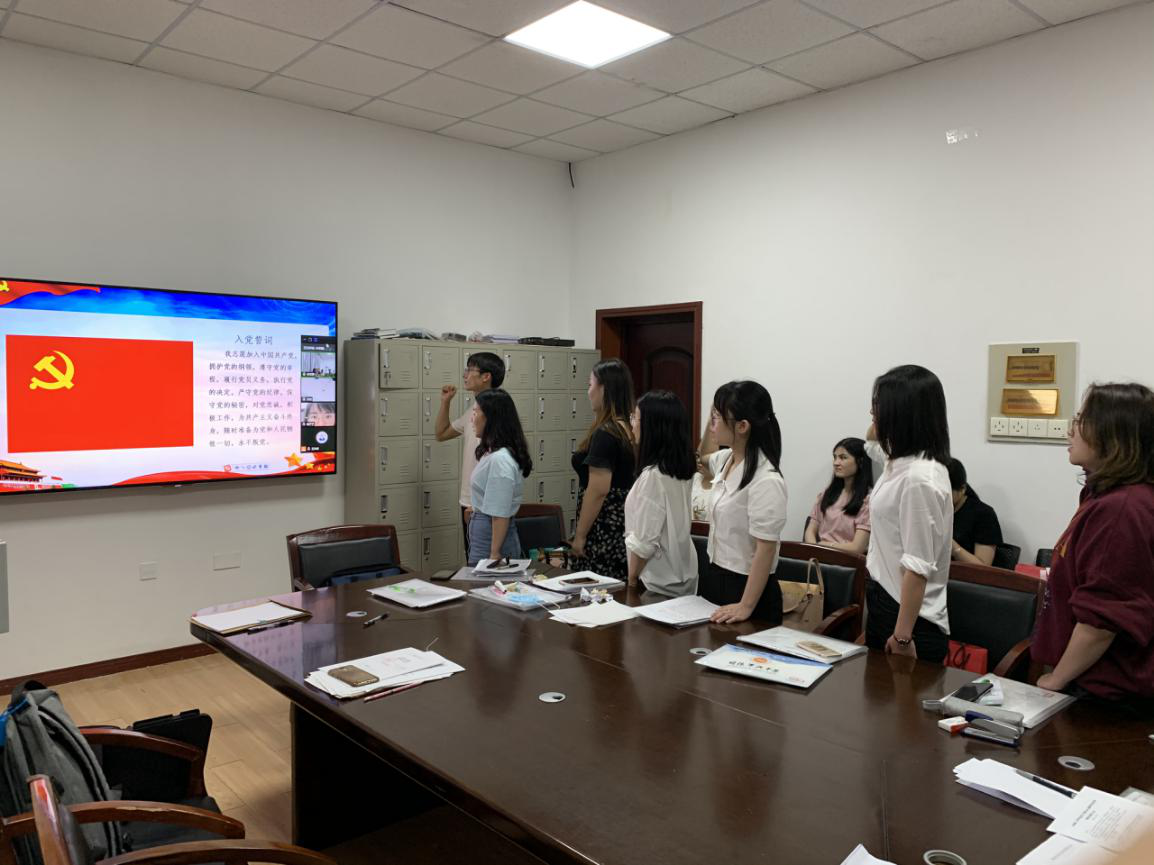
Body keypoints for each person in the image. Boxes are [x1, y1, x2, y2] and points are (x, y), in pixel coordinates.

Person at [1033, 383, 1154, 706]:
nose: (1070, 430)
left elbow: (1101, 620)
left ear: (1113, 433)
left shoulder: (1122, 509)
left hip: (1106, 694)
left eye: (1082, 420)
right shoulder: (1103, 495)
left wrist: (1056, 680)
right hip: (1091, 681)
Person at [864, 365, 953, 663]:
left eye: (880, 405)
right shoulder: (897, 461)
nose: (872, 412)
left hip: (910, 621)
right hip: (884, 600)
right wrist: (880, 420)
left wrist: (903, 636)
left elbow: (917, 566)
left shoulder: (920, 477)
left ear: (903, 412)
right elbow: (871, 440)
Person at [701, 381, 788, 625]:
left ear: (742, 426)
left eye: (717, 418)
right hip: (716, 575)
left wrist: (745, 606)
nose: (712, 425)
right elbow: (702, 457)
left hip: (749, 589)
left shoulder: (766, 479)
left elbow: (765, 549)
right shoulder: (725, 459)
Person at [624, 391, 699, 596]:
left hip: (655, 583)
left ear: (653, 427)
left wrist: (631, 580)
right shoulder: (681, 471)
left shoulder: (653, 477)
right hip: (682, 576)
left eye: (636, 418)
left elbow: (643, 544)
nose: (632, 424)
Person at [570, 358, 636, 579]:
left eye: (590, 385)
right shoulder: (629, 428)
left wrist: (580, 535)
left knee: (594, 587)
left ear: (604, 389)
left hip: (603, 526)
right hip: (623, 523)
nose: (588, 392)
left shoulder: (606, 433)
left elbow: (598, 490)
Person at [436, 352, 506, 555]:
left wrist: (481, 504)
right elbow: (441, 433)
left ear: (486, 376)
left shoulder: (495, 412)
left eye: (470, 370)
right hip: (468, 500)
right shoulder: (474, 410)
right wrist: (445, 402)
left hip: (482, 504)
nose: (464, 375)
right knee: (473, 558)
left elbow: (498, 465)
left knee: (485, 560)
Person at [466, 388, 533, 566]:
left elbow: (500, 513)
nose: (472, 418)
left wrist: (494, 554)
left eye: (476, 412)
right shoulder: (492, 453)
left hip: (492, 540)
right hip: (484, 533)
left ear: (491, 418)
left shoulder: (500, 460)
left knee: (486, 582)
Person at [803, 437, 873, 554]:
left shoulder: (868, 500)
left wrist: (826, 546)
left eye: (843, 457)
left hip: (847, 562)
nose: (836, 463)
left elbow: (857, 548)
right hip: (818, 558)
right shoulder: (827, 493)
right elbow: (810, 531)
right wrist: (815, 550)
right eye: (835, 457)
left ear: (860, 461)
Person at [947, 458, 1003, 566]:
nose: (938, 498)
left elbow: (983, 567)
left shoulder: (984, 514)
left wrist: (951, 545)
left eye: (945, 492)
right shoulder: (932, 510)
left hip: (963, 576)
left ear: (962, 489)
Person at [691, 424, 721, 521]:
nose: (700, 461)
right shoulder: (694, 478)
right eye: (697, 456)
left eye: (706, 458)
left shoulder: (722, 484)